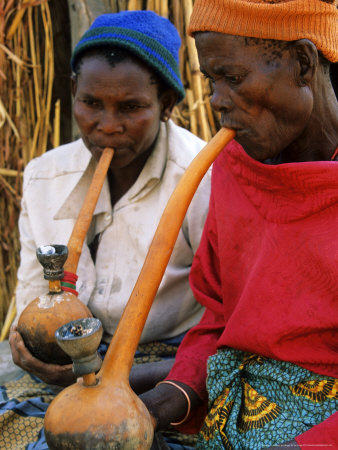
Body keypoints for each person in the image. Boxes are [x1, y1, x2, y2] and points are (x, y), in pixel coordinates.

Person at [0, 10, 211, 449]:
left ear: (168, 105)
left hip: (163, 360)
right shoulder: (44, 177)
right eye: (91, 103)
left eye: (131, 108)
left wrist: (113, 376)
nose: (107, 125)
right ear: (73, 91)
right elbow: (34, 297)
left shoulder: (202, 178)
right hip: (65, 362)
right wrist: (35, 347)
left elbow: (226, 323)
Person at [140, 0, 338, 449]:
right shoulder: (233, 168)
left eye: (232, 78)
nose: (215, 101)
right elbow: (221, 320)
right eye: (212, 80)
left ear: (303, 64)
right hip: (232, 417)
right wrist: (166, 400)